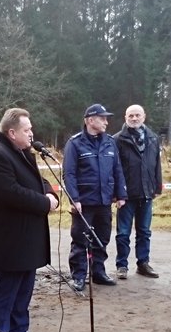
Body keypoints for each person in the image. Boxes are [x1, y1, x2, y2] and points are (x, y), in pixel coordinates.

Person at [0, 108, 59, 332]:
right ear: (12, 132)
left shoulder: (24, 152)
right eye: (27, 130)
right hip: (10, 238)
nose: (31, 134)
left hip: (29, 235)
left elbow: (39, 181)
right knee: (6, 291)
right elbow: (11, 193)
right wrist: (44, 203)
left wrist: (51, 194)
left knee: (24, 288)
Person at [62, 103, 128, 292]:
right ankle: (79, 275)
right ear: (91, 120)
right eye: (102, 118)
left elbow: (117, 169)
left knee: (102, 238)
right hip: (84, 202)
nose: (106, 122)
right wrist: (74, 199)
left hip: (104, 201)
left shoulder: (109, 142)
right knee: (80, 239)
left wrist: (121, 194)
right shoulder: (75, 143)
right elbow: (69, 174)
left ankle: (98, 272)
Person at [112, 104, 162, 279]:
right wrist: (117, 193)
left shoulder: (153, 139)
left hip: (146, 193)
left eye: (137, 115)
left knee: (144, 232)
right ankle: (122, 266)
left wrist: (157, 187)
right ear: (125, 118)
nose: (134, 119)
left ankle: (143, 264)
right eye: (131, 116)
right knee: (123, 233)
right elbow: (114, 169)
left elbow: (156, 165)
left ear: (144, 117)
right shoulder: (117, 140)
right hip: (126, 195)